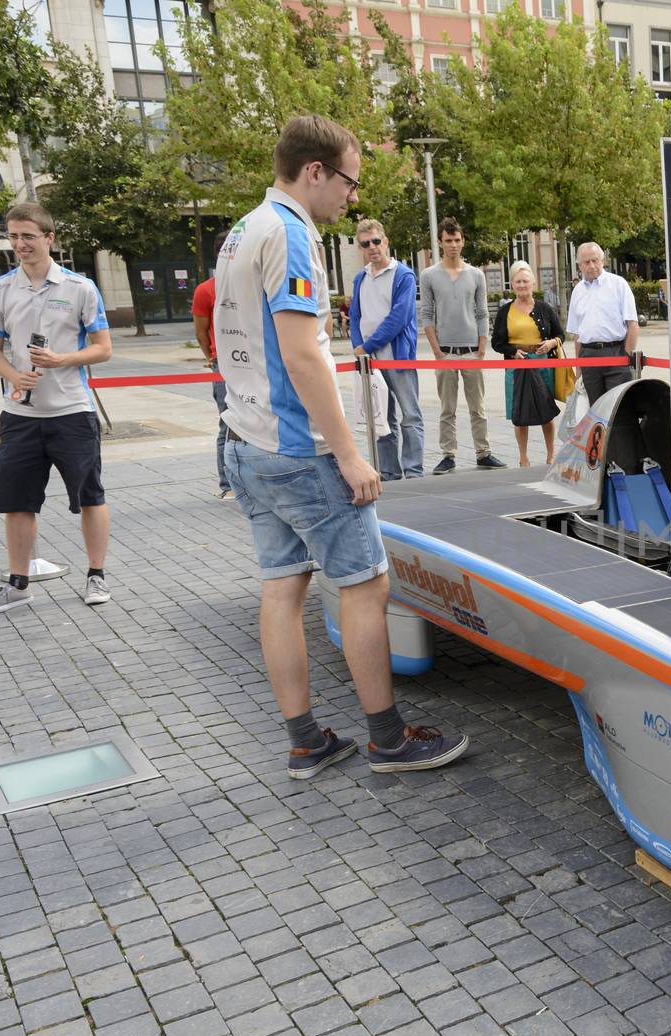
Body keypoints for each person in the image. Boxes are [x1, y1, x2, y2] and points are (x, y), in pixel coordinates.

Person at [215, 115, 468, 778]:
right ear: (315, 171)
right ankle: (388, 738)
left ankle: (306, 741)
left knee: (282, 586)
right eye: (349, 182)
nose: (351, 199)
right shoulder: (291, 233)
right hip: (299, 448)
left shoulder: (240, 232)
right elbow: (302, 353)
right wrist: (348, 452)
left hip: (245, 440)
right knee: (365, 583)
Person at [0, 203, 113, 616]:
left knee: (90, 497)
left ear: (49, 238)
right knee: (16, 501)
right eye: (14, 237)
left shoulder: (80, 287)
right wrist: (15, 377)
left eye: (28, 237)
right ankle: (17, 585)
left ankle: (96, 575)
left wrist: (62, 359)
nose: (20, 245)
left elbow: (103, 349)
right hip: (20, 415)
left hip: (72, 411)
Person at [420, 218, 502, 475]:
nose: (453, 245)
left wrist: (481, 348)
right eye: (448, 240)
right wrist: (437, 352)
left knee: (478, 407)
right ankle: (448, 454)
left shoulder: (476, 275)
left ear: (463, 241)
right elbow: (427, 314)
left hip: (471, 351)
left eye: (457, 240)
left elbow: (482, 313)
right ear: (440, 242)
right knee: (447, 408)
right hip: (445, 351)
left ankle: (483, 452)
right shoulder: (429, 275)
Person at [349, 219, 422, 480]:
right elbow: (355, 316)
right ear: (360, 248)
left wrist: (366, 345)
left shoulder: (403, 275)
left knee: (410, 416)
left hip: (397, 358)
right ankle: (389, 473)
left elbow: (398, 318)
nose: (372, 247)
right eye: (365, 244)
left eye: (376, 241)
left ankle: (414, 472)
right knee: (381, 421)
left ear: (386, 241)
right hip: (370, 363)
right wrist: (359, 347)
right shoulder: (360, 278)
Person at [492, 261, 566, 466]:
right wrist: (513, 352)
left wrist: (552, 342)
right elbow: (497, 342)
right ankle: (523, 457)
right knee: (519, 412)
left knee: (546, 411)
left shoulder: (545, 308)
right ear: (512, 285)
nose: (522, 285)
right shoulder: (505, 311)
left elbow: (560, 334)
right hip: (517, 366)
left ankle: (551, 455)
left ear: (533, 282)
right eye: (518, 281)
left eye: (525, 281)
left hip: (543, 364)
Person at [567, 242, 639, 403]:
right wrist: (579, 367)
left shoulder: (618, 284)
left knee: (618, 409)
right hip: (588, 357)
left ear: (603, 260)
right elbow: (577, 334)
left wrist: (625, 356)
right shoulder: (577, 291)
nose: (591, 266)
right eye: (586, 262)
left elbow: (633, 325)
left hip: (616, 353)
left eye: (595, 260)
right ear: (579, 266)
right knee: (595, 411)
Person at [191, 236, 232, 499]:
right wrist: (213, 356)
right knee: (227, 424)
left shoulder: (251, 284)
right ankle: (227, 484)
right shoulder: (206, 290)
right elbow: (201, 332)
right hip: (223, 364)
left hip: (254, 363)